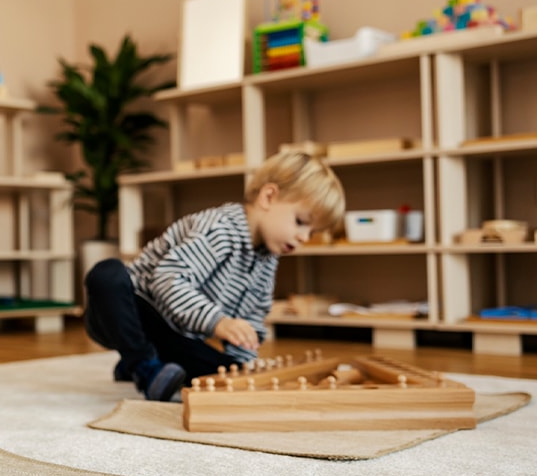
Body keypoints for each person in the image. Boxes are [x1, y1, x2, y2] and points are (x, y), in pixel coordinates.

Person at [83, 150, 345, 401]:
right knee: (107, 273)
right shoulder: (220, 228)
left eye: (312, 232)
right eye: (300, 222)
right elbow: (167, 281)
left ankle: (139, 363)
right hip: (129, 311)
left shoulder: (267, 258)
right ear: (268, 197)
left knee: (222, 371)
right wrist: (219, 323)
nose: (303, 238)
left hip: (174, 334)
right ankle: (143, 365)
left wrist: (243, 369)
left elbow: (251, 319)